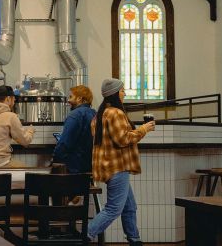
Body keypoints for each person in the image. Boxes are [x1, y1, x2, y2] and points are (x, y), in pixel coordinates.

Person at [87, 79, 155, 246]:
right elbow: (123, 139)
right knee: (113, 209)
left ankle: (134, 239)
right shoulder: (115, 113)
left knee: (129, 206)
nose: (124, 93)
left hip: (108, 166)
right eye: (123, 90)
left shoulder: (100, 114)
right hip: (117, 166)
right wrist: (143, 129)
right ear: (116, 93)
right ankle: (85, 235)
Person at [53, 85, 96, 173]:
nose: (68, 100)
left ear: (79, 98)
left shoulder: (75, 115)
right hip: (89, 165)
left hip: (74, 167)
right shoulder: (94, 113)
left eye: (71, 97)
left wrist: (55, 158)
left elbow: (65, 143)